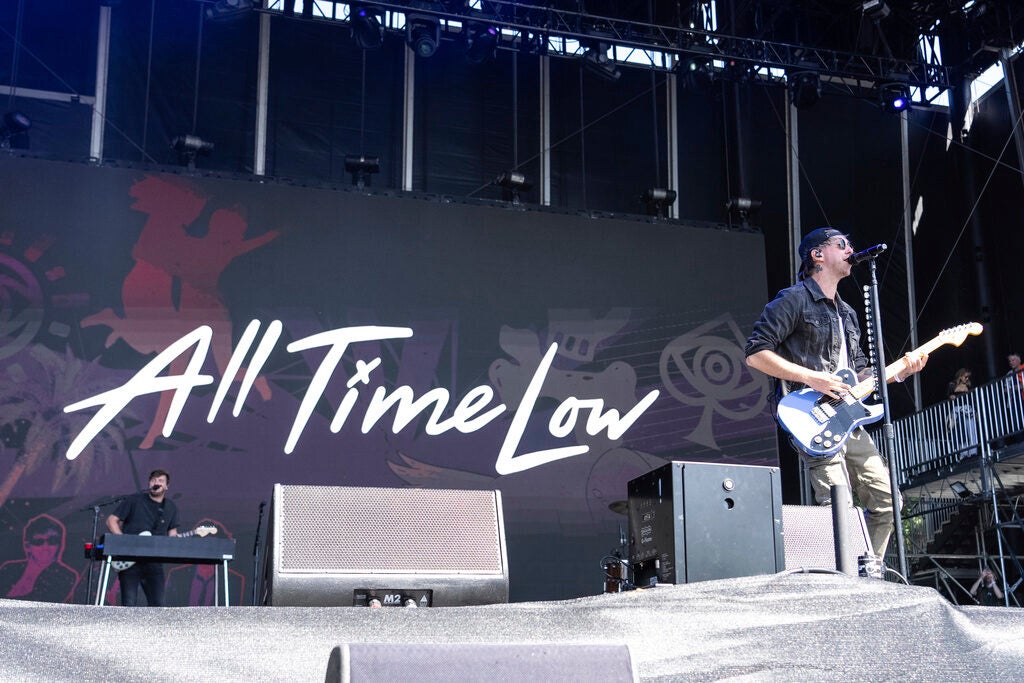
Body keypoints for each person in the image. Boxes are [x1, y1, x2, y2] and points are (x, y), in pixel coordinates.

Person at [744, 227, 928, 558]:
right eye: (842, 244)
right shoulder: (793, 299)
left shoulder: (848, 314)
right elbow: (756, 353)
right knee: (838, 507)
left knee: (888, 501)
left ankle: (866, 575)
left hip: (849, 418)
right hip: (812, 415)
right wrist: (814, 378)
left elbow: (859, 374)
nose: (850, 249)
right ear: (818, 255)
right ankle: (840, 584)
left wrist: (900, 371)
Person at [106, 469, 179, 606]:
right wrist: (123, 543)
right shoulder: (134, 500)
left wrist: (176, 541)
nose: (156, 483)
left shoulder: (170, 507)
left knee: (158, 606)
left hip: (154, 562)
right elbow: (111, 520)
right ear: (149, 483)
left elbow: (172, 535)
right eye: (153, 480)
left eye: (160, 481)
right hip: (130, 561)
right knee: (128, 606)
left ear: (166, 486)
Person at [0, 514, 79, 602]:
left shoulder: (65, 575)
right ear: (27, 546)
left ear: (60, 544)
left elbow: (38, 604)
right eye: (38, 541)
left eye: (52, 541)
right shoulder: (10, 568)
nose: (46, 547)